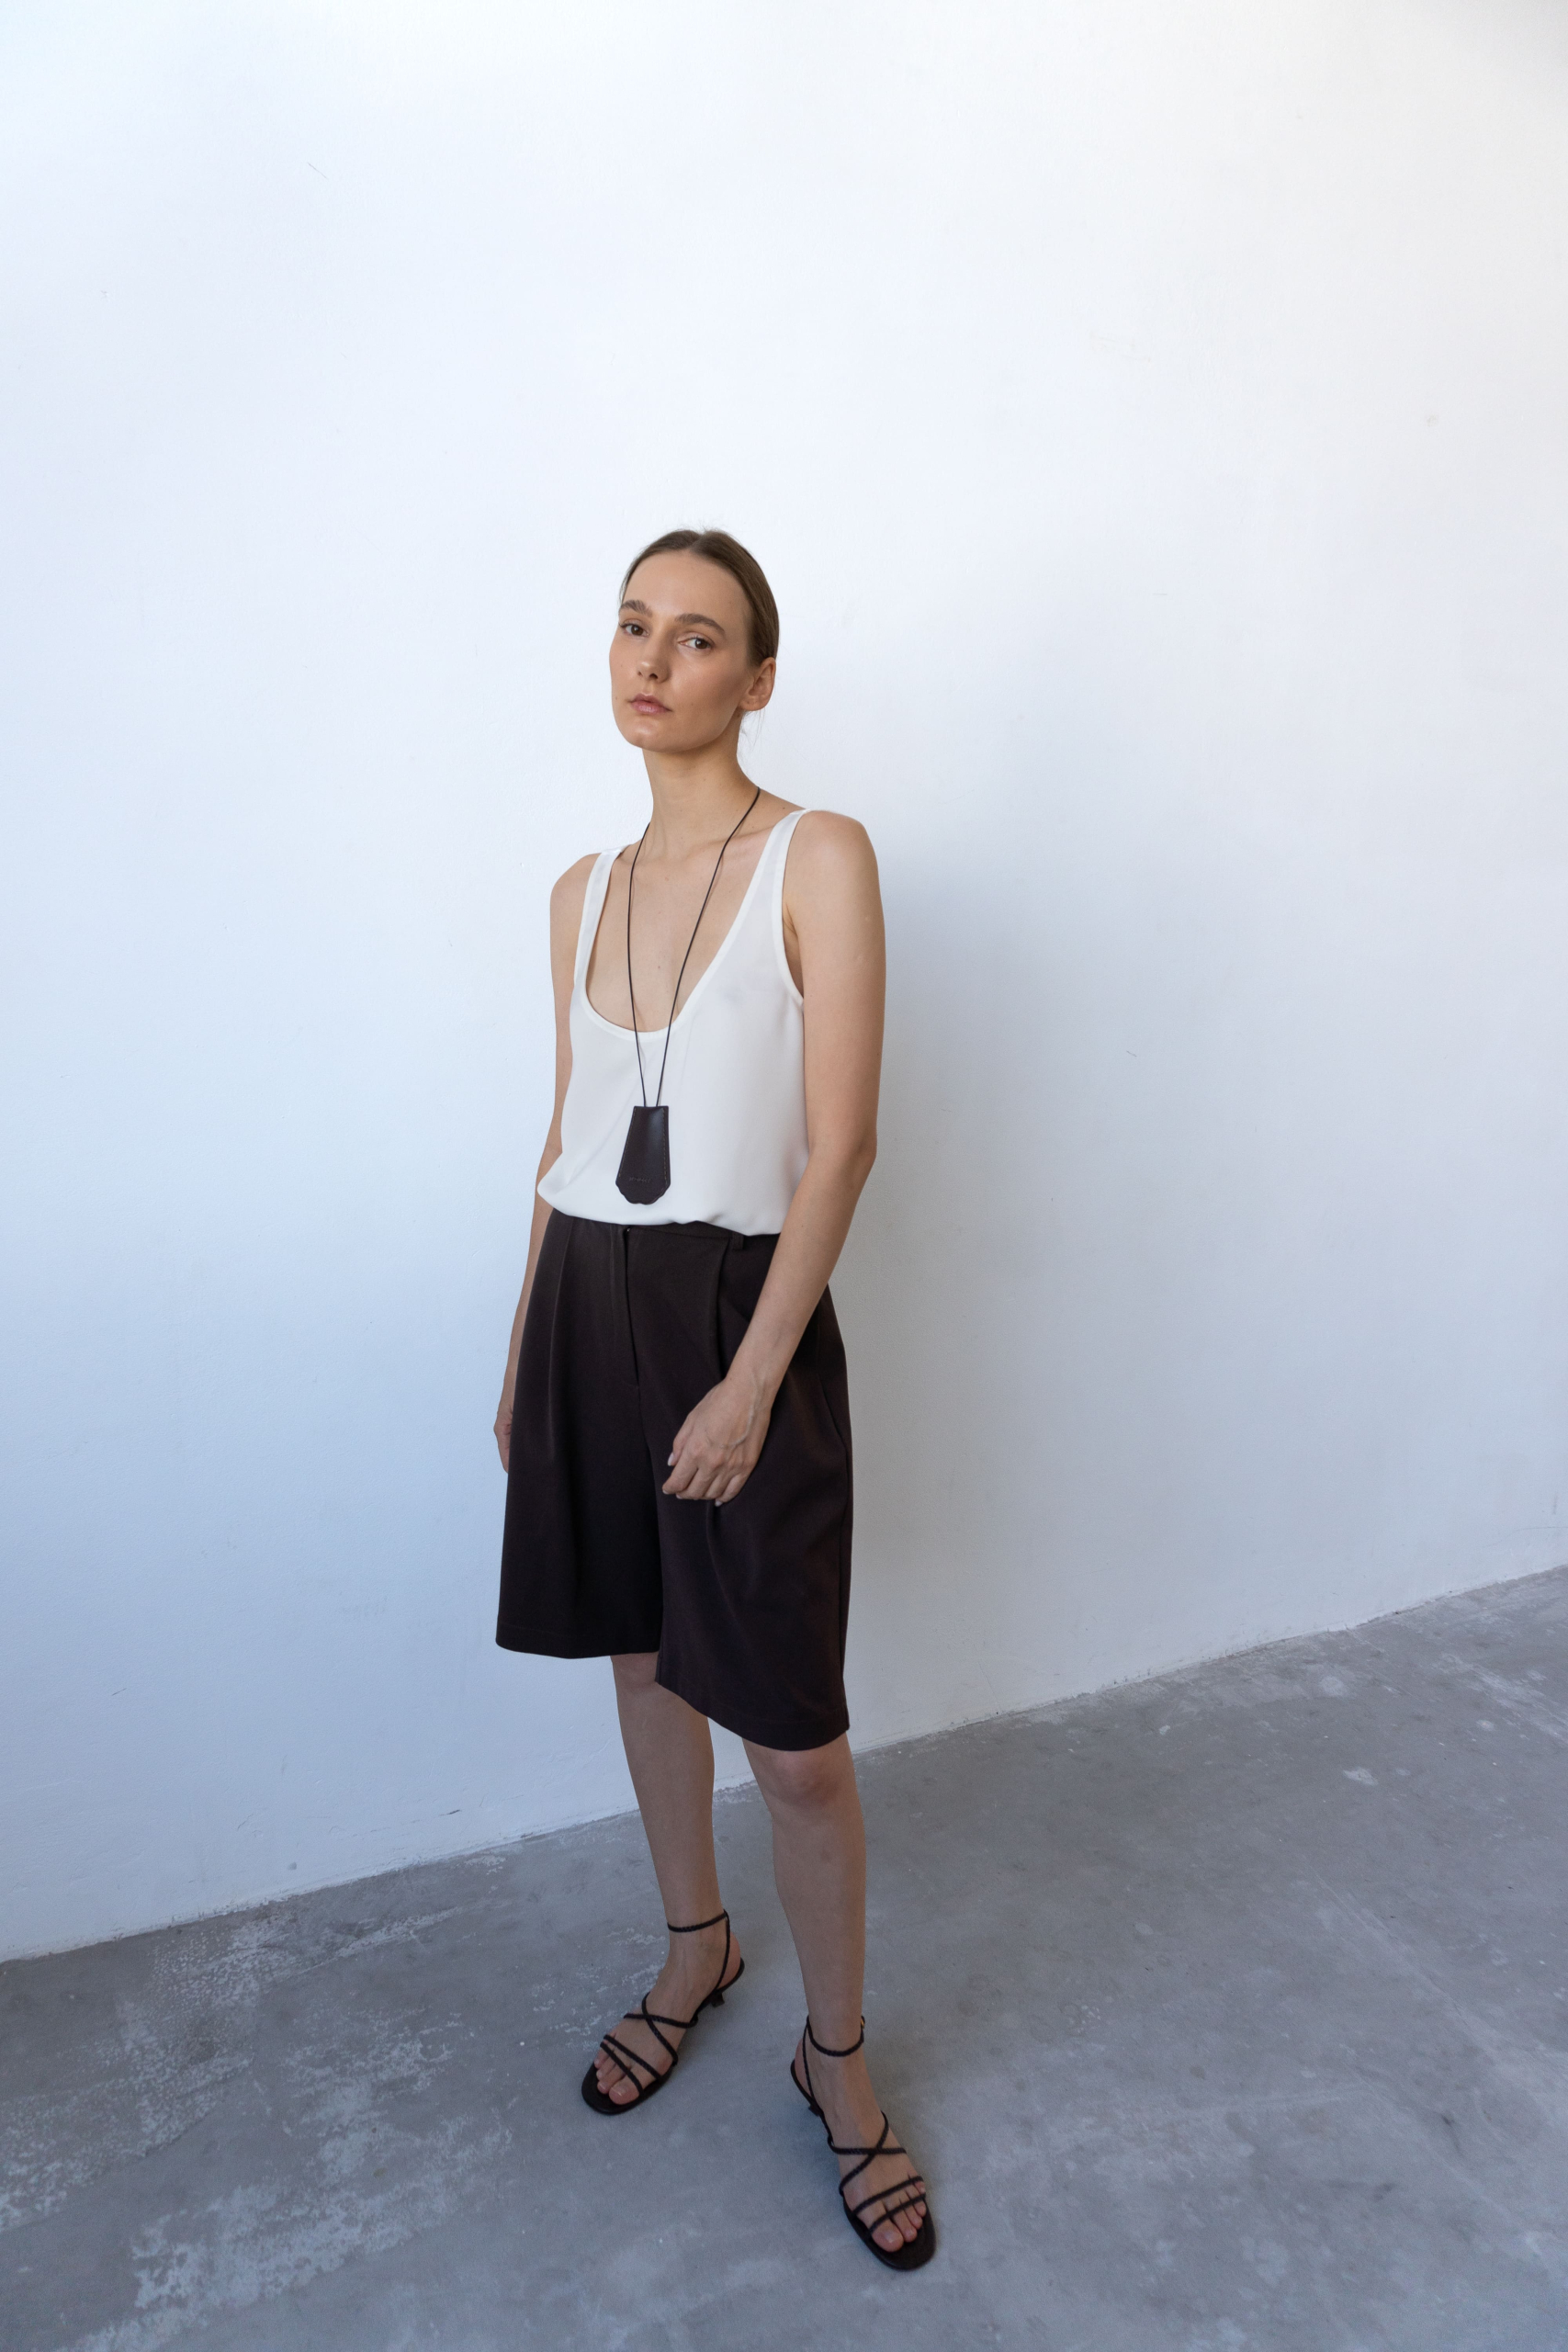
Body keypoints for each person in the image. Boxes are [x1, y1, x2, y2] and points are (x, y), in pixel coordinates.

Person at [492, 527, 932, 2270]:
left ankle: (840, 2057)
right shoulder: (578, 890)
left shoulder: (819, 854)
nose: (652, 659)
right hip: (585, 1304)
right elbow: (566, 1136)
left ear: (756, 679)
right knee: (640, 1657)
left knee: (795, 1744)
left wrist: (754, 1380)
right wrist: (520, 1353)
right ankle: (697, 1946)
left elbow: (844, 1145)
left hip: (740, 1313)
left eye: (696, 636)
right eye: (632, 625)